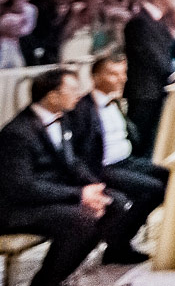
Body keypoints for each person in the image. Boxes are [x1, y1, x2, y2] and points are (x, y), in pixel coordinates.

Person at [0, 68, 136, 286]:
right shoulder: (18, 134)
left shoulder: (61, 119)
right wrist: (79, 195)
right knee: (82, 219)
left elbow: (72, 163)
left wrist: (94, 187)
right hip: (7, 211)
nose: (79, 95)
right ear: (51, 95)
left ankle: (56, 277)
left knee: (115, 204)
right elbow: (22, 187)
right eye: (71, 90)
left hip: (38, 199)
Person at [66, 53, 165, 265]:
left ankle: (120, 239)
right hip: (102, 167)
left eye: (123, 73)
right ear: (95, 76)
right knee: (153, 188)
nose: (121, 79)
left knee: (168, 175)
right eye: (113, 74)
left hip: (127, 161)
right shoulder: (82, 108)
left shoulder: (116, 102)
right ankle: (117, 245)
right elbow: (77, 152)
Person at [121, 0, 175, 158]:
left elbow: (172, 46)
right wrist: (173, 74)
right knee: (139, 137)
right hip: (143, 90)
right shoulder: (140, 22)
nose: (174, 1)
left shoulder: (158, 21)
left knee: (150, 139)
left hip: (156, 89)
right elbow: (152, 55)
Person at [0, 0, 35, 69]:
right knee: (3, 66)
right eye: (16, 1)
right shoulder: (7, 18)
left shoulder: (16, 16)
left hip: (14, 43)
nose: (19, 4)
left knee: (18, 64)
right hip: (5, 43)